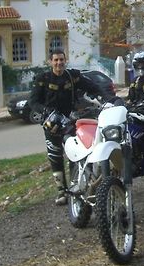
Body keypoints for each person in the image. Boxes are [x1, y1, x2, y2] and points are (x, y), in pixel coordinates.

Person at [29, 49, 111, 205]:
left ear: (65, 60)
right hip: (51, 123)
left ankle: (76, 185)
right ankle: (61, 191)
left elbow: (93, 87)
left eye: (61, 59)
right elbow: (32, 102)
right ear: (50, 62)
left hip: (71, 121)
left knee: (76, 153)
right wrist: (46, 112)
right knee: (55, 156)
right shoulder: (43, 79)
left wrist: (108, 98)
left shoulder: (73, 76)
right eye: (55, 60)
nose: (59, 63)